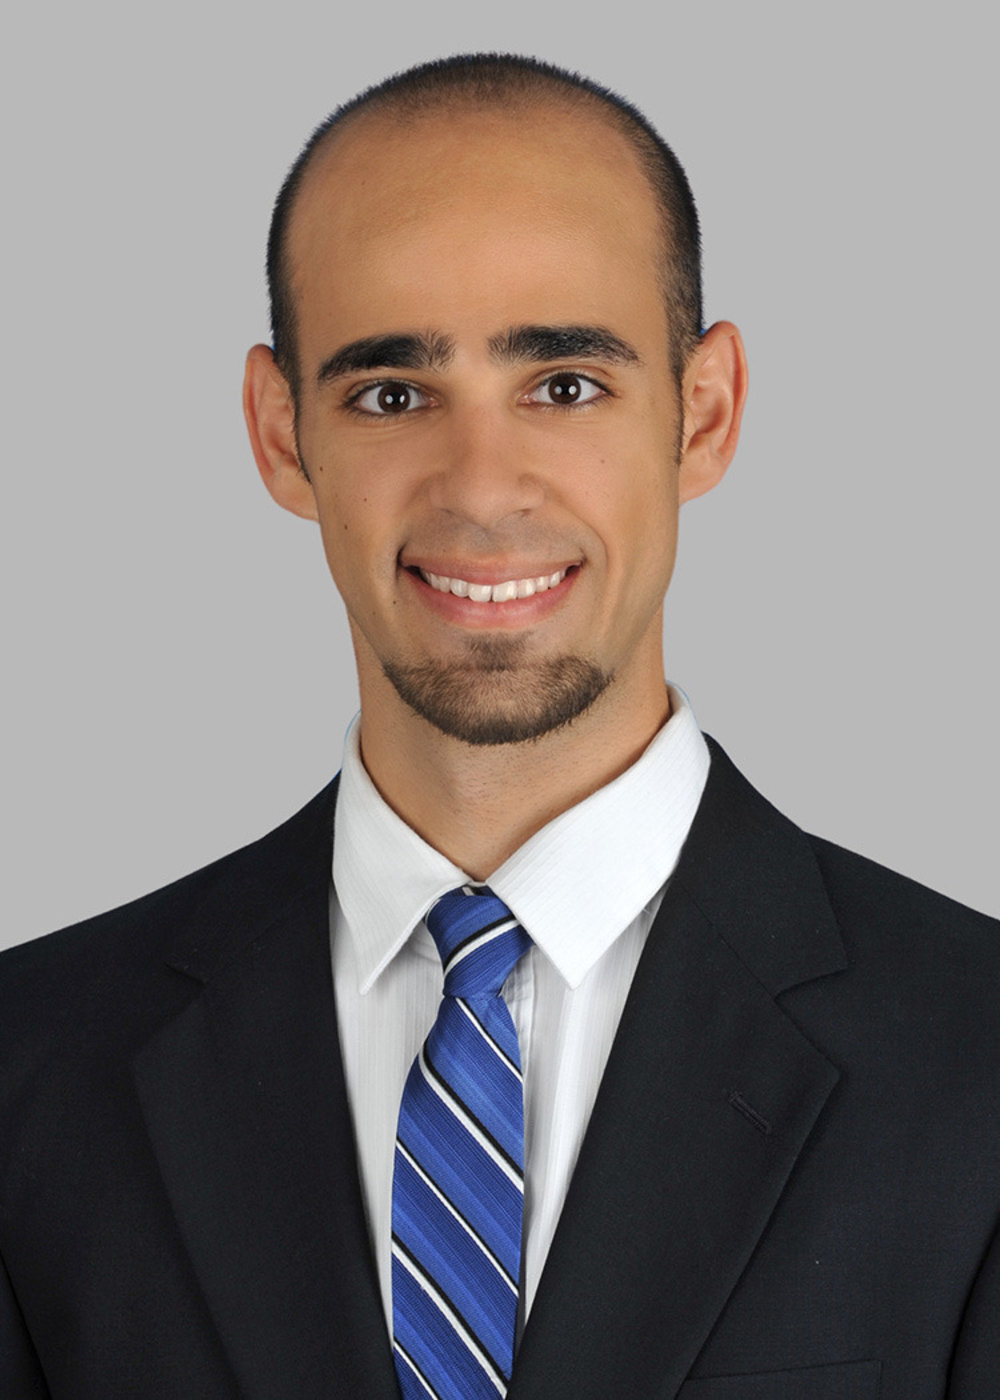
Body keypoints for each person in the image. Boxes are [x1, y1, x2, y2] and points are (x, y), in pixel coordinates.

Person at [0, 52, 997, 1400]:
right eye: (392, 395)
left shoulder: (976, 1062)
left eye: (565, 385)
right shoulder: (33, 1069)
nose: (480, 488)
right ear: (282, 435)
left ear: (704, 414)